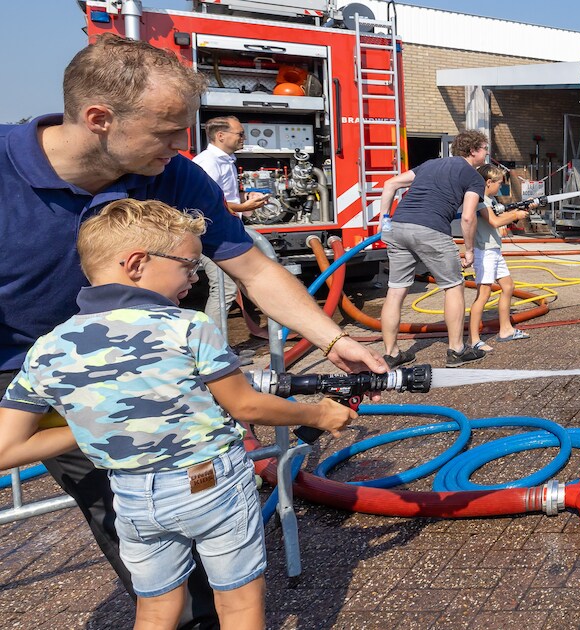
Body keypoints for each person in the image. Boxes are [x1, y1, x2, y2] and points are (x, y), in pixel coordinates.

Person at [0, 34, 386, 628]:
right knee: (123, 508)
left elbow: (253, 268)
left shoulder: (172, 174)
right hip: (27, 366)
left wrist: (334, 340)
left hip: (132, 363)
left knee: (158, 525)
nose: (184, 145)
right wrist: (103, 416)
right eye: (167, 130)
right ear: (100, 119)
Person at [0, 199, 357, 629]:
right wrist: (320, 415)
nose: (194, 278)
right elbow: (244, 405)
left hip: (130, 496)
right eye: (188, 265)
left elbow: (8, 447)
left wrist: (107, 425)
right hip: (209, 484)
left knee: (154, 608)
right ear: (136, 263)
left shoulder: (47, 348)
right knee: (239, 604)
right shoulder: (186, 326)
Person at [376, 129, 490, 368]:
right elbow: (468, 218)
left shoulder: (429, 165)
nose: (487, 153)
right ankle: (457, 350)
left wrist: (384, 221)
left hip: (397, 227)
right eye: (484, 149)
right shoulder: (473, 177)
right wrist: (469, 250)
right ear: (473, 151)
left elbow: (390, 184)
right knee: (453, 286)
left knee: (395, 291)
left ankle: (392, 353)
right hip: (431, 229)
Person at [191, 115, 267, 332]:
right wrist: (245, 207)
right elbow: (207, 203)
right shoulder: (209, 162)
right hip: (213, 235)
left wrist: (245, 200)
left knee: (228, 288)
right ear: (220, 136)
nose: (244, 138)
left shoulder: (224, 160)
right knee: (223, 290)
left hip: (223, 232)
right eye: (240, 134)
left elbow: (223, 197)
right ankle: (216, 349)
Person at [468, 164, 536, 352]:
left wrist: (522, 209)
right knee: (483, 295)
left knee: (508, 286)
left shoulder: (489, 199)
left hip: (494, 251)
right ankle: (473, 340)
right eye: (499, 183)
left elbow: (501, 215)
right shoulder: (480, 200)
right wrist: (516, 214)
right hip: (485, 252)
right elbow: (495, 221)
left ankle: (505, 330)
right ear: (489, 182)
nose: (500, 187)